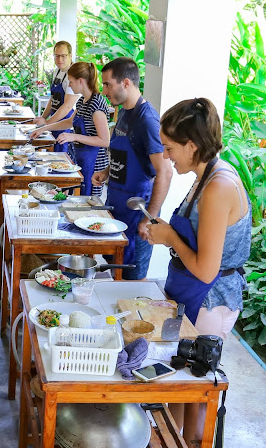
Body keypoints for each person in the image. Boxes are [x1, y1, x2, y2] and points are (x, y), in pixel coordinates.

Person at [146, 98, 251, 448]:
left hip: (209, 300)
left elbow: (207, 270)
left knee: (195, 397)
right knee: (180, 389)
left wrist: (170, 237)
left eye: (170, 148)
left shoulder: (219, 186)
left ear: (192, 145)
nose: (166, 156)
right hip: (187, 295)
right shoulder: (202, 176)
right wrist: (165, 235)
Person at [92, 57, 173, 280]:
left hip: (137, 214)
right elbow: (126, 152)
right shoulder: (124, 111)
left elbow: (165, 171)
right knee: (115, 273)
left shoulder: (147, 121)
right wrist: (107, 171)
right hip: (117, 206)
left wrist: (150, 218)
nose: (103, 89)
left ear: (126, 83)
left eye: (108, 84)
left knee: (132, 280)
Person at [30, 61, 110, 196]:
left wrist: (74, 136)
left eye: (71, 81)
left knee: (86, 201)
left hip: (94, 164)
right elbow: (69, 122)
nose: (69, 85)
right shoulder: (82, 101)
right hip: (81, 157)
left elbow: (105, 140)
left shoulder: (97, 104)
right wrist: (44, 128)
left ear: (80, 81)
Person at [33, 40, 80, 153]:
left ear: (70, 56)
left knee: (61, 159)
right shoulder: (57, 71)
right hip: (55, 121)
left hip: (66, 125)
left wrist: (48, 124)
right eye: (57, 56)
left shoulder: (73, 74)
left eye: (63, 56)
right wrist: (44, 117)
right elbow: (53, 98)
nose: (60, 59)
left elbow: (67, 106)